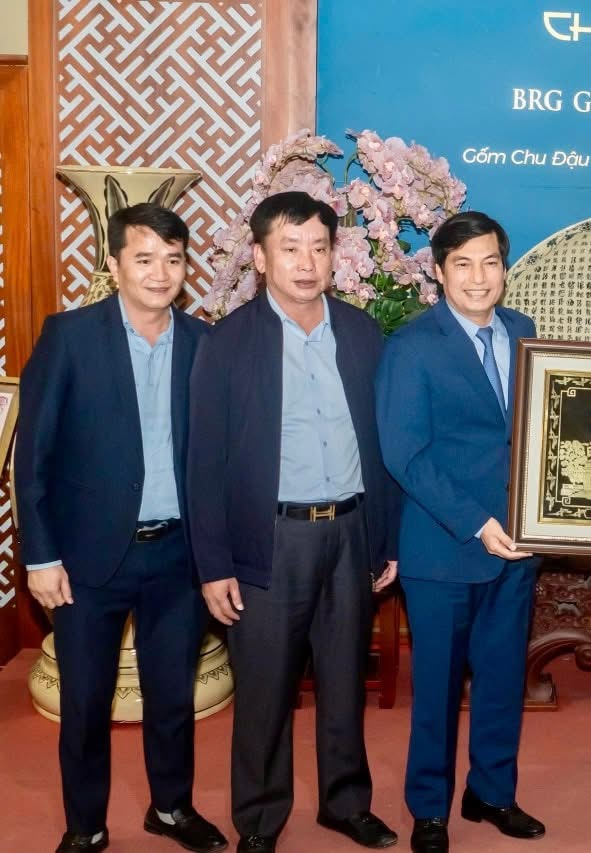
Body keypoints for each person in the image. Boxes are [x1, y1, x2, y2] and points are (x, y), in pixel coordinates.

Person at [187, 191, 400, 853]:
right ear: (259, 256)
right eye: (290, 247)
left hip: (351, 532)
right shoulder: (227, 342)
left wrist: (385, 536)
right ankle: (258, 819)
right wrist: (213, 564)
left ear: (334, 255)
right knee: (265, 689)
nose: (307, 263)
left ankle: (346, 803)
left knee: (344, 679)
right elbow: (203, 463)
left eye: (319, 247)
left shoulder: (362, 334)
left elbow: (382, 444)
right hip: (270, 539)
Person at [15, 203, 226, 853]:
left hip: (178, 556)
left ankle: (171, 807)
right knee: (85, 702)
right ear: (113, 264)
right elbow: (33, 455)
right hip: (86, 560)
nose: (160, 273)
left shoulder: (205, 343)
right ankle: (86, 825)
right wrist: (39, 556)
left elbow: (219, 459)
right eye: (144, 258)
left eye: (173, 259)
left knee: (172, 697)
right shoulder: (70, 336)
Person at [375, 211, 542, 853]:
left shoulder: (523, 332)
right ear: (439, 272)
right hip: (444, 548)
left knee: (501, 681)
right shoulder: (412, 346)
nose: (478, 277)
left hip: (519, 546)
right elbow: (405, 454)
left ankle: (492, 793)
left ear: (505, 268)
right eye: (463, 264)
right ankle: (429, 810)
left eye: (490, 263)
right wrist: (478, 523)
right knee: (438, 691)